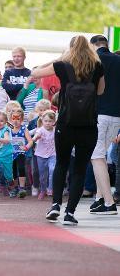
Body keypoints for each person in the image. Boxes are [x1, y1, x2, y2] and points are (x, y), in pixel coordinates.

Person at [28, 35, 105, 226]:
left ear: (70, 50)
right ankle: (70, 213)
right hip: (88, 125)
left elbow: (35, 72)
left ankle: (55, 205)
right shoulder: (96, 67)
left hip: (65, 124)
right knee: (79, 168)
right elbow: (101, 91)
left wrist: (58, 58)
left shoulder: (61, 66)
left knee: (62, 164)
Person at [89, 35, 120, 215]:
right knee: (101, 155)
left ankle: (108, 202)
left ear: (93, 46)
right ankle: (100, 198)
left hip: (99, 114)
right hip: (117, 115)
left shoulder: (94, 60)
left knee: (96, 157)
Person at [32, 110, 57, 200]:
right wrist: (35, 138)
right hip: (41, 155)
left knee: (52, 169)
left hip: (52, 154)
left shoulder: (55, 131)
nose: (47, 123)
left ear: (54, 122)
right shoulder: (40, 130)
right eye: (45, 121)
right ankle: (43, 190)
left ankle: (50, 189)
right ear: (42, 121)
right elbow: (35, 136)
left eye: (50, 121)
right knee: (42, 176)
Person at [9, 107, 32, 198]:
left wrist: (26, 147)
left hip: (20, 152)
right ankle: (15, 187)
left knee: (21, 167)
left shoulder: (24, 128)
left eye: (18, 119)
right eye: (13, 118)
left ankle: (22, 188)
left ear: (22, 119)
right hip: (10, 153)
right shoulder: (8, 128)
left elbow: (30, 141)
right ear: (10, 119)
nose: (15, 121)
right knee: (12, 170)